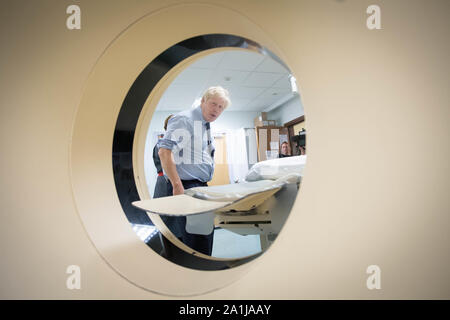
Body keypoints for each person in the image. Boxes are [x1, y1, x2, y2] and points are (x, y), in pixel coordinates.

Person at [157, 86, 230, 256]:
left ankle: (200, 275)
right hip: (186, 187)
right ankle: (197, 277)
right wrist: (177, 186)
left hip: (198, 186)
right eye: (213, 104)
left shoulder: (204, 124)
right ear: (203, 101)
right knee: (197, 240)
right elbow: (164, 151)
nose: (217, 110)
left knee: (202, 236)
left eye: (221, 107)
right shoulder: (185, 120)